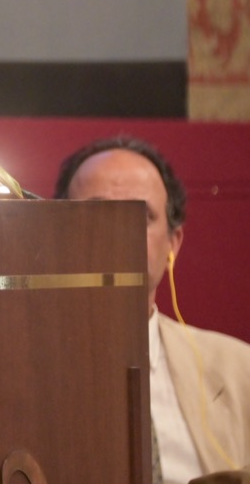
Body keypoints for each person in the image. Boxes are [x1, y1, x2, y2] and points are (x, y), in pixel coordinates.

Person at [56, 136, 250, 484]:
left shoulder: (240, 370)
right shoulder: (8, 371)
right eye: (98, 212)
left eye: (140, 215)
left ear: (173, 242)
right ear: (56, 234)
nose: (118, 230)